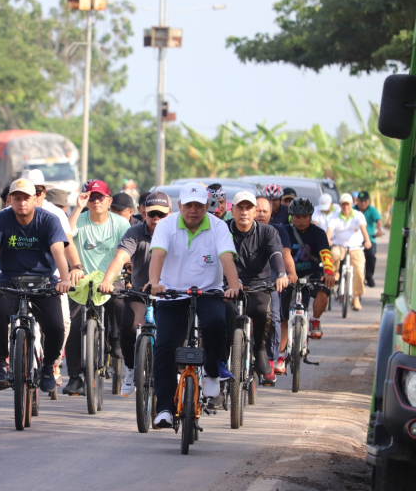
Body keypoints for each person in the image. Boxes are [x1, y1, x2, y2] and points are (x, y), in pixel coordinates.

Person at [146, 183, 240, 429]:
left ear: (207, 206)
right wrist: (155, 283)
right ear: (180, 206)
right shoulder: (167, 225)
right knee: (165, 347)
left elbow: (227, 258)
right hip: (172, 293)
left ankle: (210, 371)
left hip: (208, 292)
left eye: (199, 205)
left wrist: (232, 285)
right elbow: (158, 255)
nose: (194, 210)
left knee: (216, 323)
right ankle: (165, 408)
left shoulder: (218, 226)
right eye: (189, 205)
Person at [0, 178, 71, 394]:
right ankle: (0, 365)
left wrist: (64, 279)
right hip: (10, 279)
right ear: (10, 200)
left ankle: (47, 366)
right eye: (17, 198)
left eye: (26, 198)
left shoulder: (49, 220)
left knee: (56, 326)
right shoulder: (0, 220)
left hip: (44, 281)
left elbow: (58, 252)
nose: (22, 203)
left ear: (35, 198)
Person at [97, 191, 171, 396]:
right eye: (152, 214)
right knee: (128, 327)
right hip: (141, 293)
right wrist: (106, 281)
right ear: (144, 213)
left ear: (170, 215)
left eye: (161, 215)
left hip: (171, 294)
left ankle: (176, 372)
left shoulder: (176, 233)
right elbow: (120, 258)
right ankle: (131, 368)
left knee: (177, 335)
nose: (156, 218)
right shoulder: (135, 232)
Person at [62, 179, 130, 395]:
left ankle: (116, 338)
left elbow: (128, 252)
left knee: (120, 302)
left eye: (100, 197)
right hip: (83, 281)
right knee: (72, 323)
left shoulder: (120, 224)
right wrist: (78, 207)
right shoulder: (80, 220)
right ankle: (74, 377)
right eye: (91, 197)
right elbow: (65, 235)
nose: (96, 201)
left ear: (109, 201)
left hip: (112, 278)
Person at [21, 169, 85, 383]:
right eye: (27, 193)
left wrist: (76, 265)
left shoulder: (55, 214)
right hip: (17, 278)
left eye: (37, 192)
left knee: (64, 323)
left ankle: (52, 363)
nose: (33, 197)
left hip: (52, 280)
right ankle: (8, 362)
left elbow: (67, 243)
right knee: (4, 316)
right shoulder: (11, 212)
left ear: (43, 192)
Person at [226, 192, 289, 381]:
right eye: (240, 208)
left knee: (263, 311)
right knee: (219, 318)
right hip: (228, 286)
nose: (244, 212)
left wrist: (281, 274)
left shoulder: (267, 232)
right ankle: (221, 361)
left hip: (258, 286)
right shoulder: (223, 230)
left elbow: (276, 255)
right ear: (233, 210)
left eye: (248, 208)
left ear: (255, 212)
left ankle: (260, 347)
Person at [280, 198, 335, 362]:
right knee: (283, 316)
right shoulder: (285, 231)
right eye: (297, 216)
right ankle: (281, 355)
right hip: (289, 276)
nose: (301, 220)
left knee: (325, 290)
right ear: (291, 217)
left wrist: (329, 272)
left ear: (311, 217)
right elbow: (283, 253)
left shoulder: (318, 233)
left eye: (304, 216)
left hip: (311, 275)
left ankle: (315, 321)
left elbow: (325, 253)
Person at [254, 195, 298, 384]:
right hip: (244, 285)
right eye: (258, 210)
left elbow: (285, 255)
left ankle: (271, 361)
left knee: (273, 319)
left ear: (271, 213)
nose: (261, 214)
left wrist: (289, 274)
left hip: (269, 284)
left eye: (265, 211)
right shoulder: (237, 229)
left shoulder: (279, 231)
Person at [326, 193, 372, 311]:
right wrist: (327, 241)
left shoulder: (358, 215)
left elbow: (363, 229)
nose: (345, 207)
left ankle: (356, 297)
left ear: (352, 204)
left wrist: (367, 241)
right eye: (343, 204)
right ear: (340, 205)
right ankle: (336, 273)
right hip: (340, 246)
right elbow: (329, 231)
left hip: (356, 247)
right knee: (333, 254)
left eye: (348, 204)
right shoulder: (335, 217)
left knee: (359, 270)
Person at [354, 191, 384, 287]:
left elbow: (378, 221)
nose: (363, 203)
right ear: (357, 201)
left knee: (371, 255)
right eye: (361, 201)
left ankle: (369, 275)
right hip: (355, 239)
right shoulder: (352, 210)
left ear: (369, 201)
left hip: (370, 238)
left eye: (365, 201)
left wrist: (380, 230)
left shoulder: (372, 210)